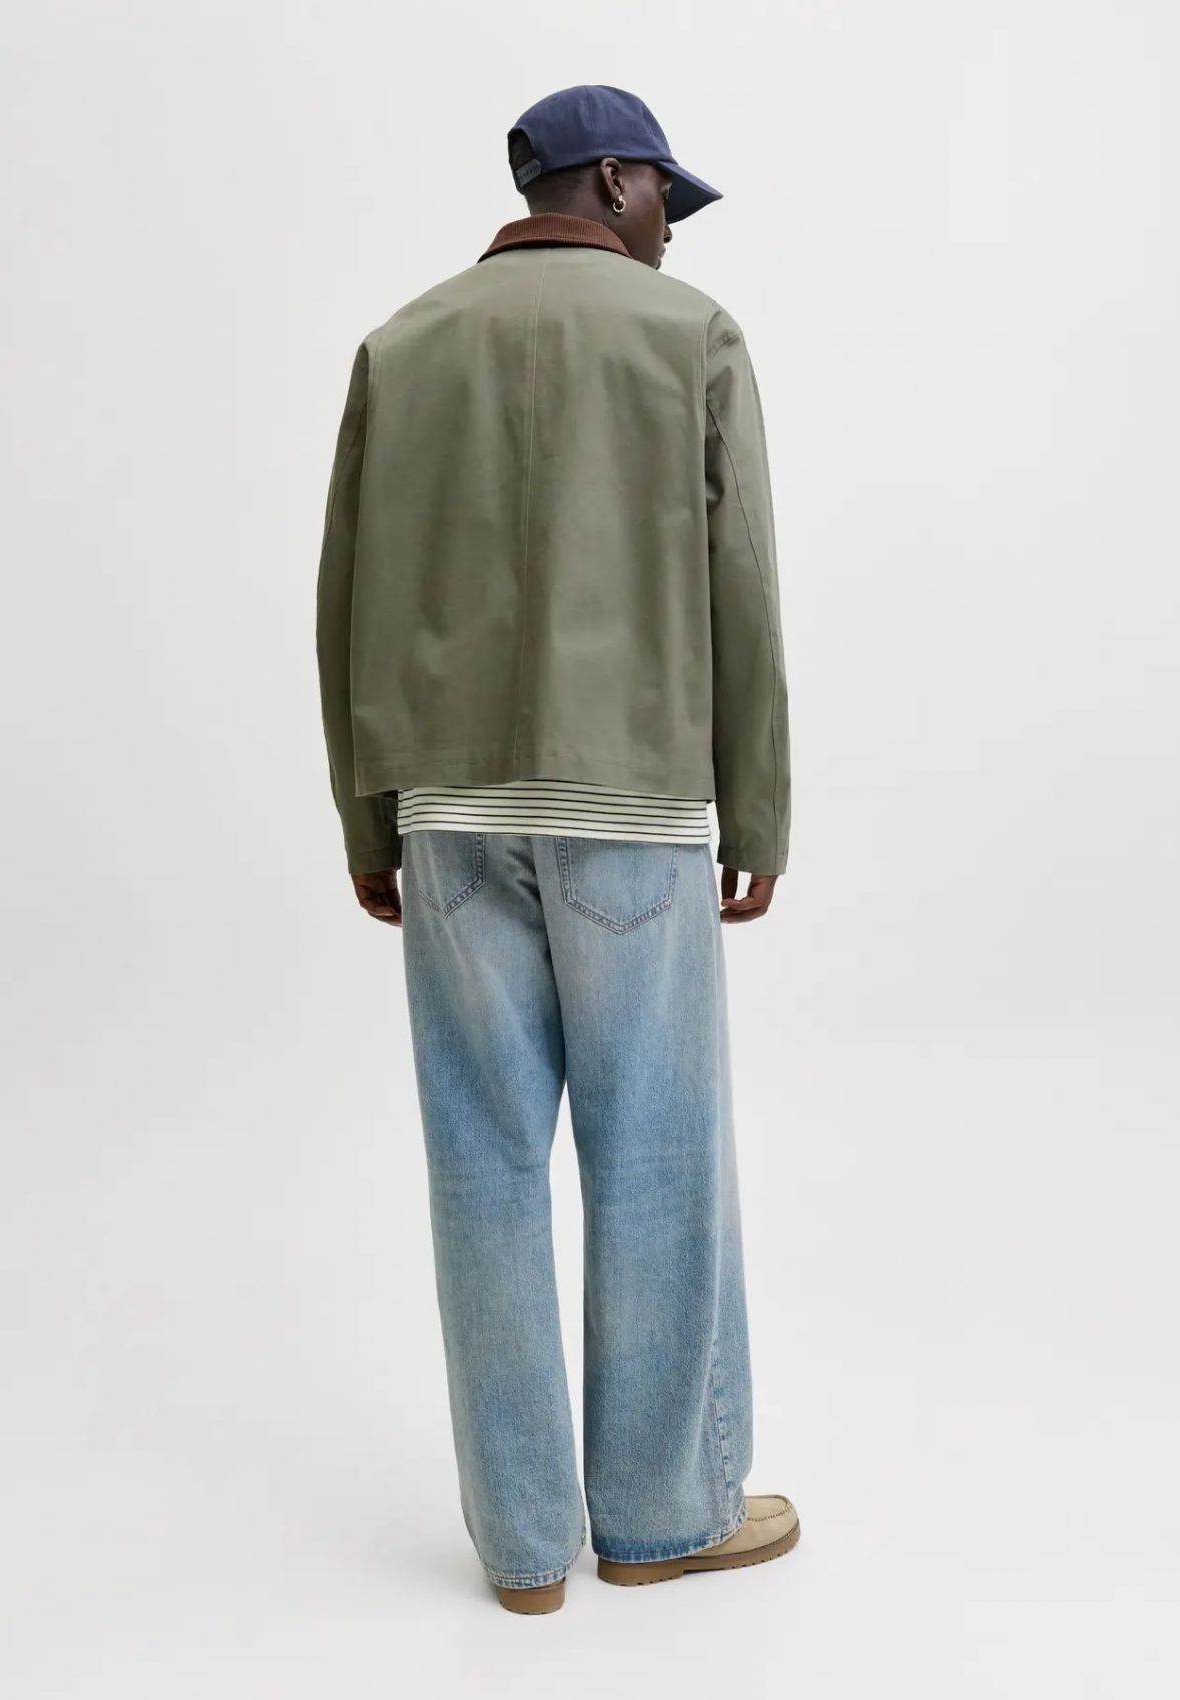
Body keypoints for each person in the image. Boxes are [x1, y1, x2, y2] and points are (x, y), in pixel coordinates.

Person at [315, 84, 797, 1615]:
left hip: (449, 816)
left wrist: (368, 814)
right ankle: (659, 1517)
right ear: (613, 179)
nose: (672, 230)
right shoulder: (689, 337)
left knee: (482, 1165)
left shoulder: (403, 345)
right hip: (631, 811)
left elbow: (347, 594)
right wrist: (757, 807)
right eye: (666, 198)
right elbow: (741, 582)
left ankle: (523, 1551)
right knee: (657, 1159)